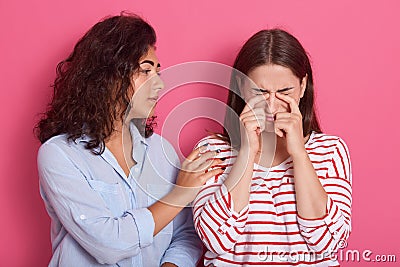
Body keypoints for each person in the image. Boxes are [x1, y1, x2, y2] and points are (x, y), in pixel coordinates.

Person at [35, 13, 223, 267]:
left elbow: (185, 235)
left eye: (158, 71)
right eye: (145, 71)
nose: (159, 84)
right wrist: (180, 194)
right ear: (108, 77)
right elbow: (108, 244)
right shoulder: (59, 154)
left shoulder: (161, 151)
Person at [192, 29, 352, 266]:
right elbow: (216, 240)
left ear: (303, 86)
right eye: (260, 92)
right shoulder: (211, 150)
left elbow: (328, 242)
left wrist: (299, 154)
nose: (272, 105)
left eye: (285, 91)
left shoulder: (331, 151)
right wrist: (246, 153)